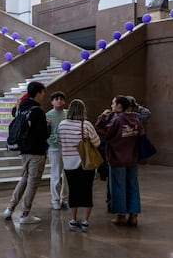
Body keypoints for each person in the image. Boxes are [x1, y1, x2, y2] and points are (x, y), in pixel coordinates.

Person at [3, 81, 50, 224]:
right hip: (37, 151)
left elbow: (15, 116)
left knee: (24, 178)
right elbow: (42, 135)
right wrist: (47, 126)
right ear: (39, 93)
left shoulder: (21, 108)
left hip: (23, 150)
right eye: (43, 93)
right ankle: (25, 214)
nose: (43, 96)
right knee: (32, 182)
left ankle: (10, 208)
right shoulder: (37, 111)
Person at [95, 96, 142, 227]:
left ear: (119, 106)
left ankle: (121, 216)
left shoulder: (117, 120)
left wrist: (102, 117)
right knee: (133, 186)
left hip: (117, 158)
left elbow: (103, 133)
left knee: (118, 187)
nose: (111, 106)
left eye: (113, 103)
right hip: (132, 157)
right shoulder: (135, 119)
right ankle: (133, 216)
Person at [57, 99, 100, 232]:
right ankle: (85, 221)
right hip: (85, 163)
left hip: (69, 163)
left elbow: (59, 141)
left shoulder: (62, 124)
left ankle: (73, 220)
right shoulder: (86, 124)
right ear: (83, 110)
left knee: (73, 191)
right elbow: (97, 142)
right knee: (87, 191)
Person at [46, 91, 69, 210]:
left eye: (61, 99)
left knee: (67, 175)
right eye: (56, 99)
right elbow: (47, 134)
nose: (59, 101)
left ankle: (65, 198)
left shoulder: (68, 114)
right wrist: (56, 140)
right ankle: (55, 200)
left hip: (68, 149)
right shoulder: (48, 115)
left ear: (64, 101)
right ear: (52, 102)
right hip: (54, 149)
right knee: (55, 174)